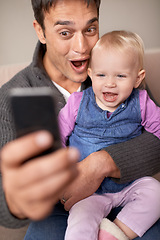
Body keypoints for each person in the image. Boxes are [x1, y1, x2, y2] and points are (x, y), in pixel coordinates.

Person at [0, 0, 159, 239]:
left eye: (90, 29)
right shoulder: (12, 95)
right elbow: (5, 196)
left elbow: (155, 140)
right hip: (60, 209)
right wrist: (15, 200)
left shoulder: (121, 66)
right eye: (65, 32)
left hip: (130, 197)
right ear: (40, 31)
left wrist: (101, 164)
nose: (82, 47)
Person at [58, 30, 160, 240]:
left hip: (130, 183)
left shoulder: (141, 102)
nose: (110, 83)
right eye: (101, 75)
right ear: (90, 73)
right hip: (89, 192)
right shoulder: (77, 103)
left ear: (138, 78)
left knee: (156, 192)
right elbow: (57, 135)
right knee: (80, 220)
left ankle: (115, 233)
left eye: (120, 76)